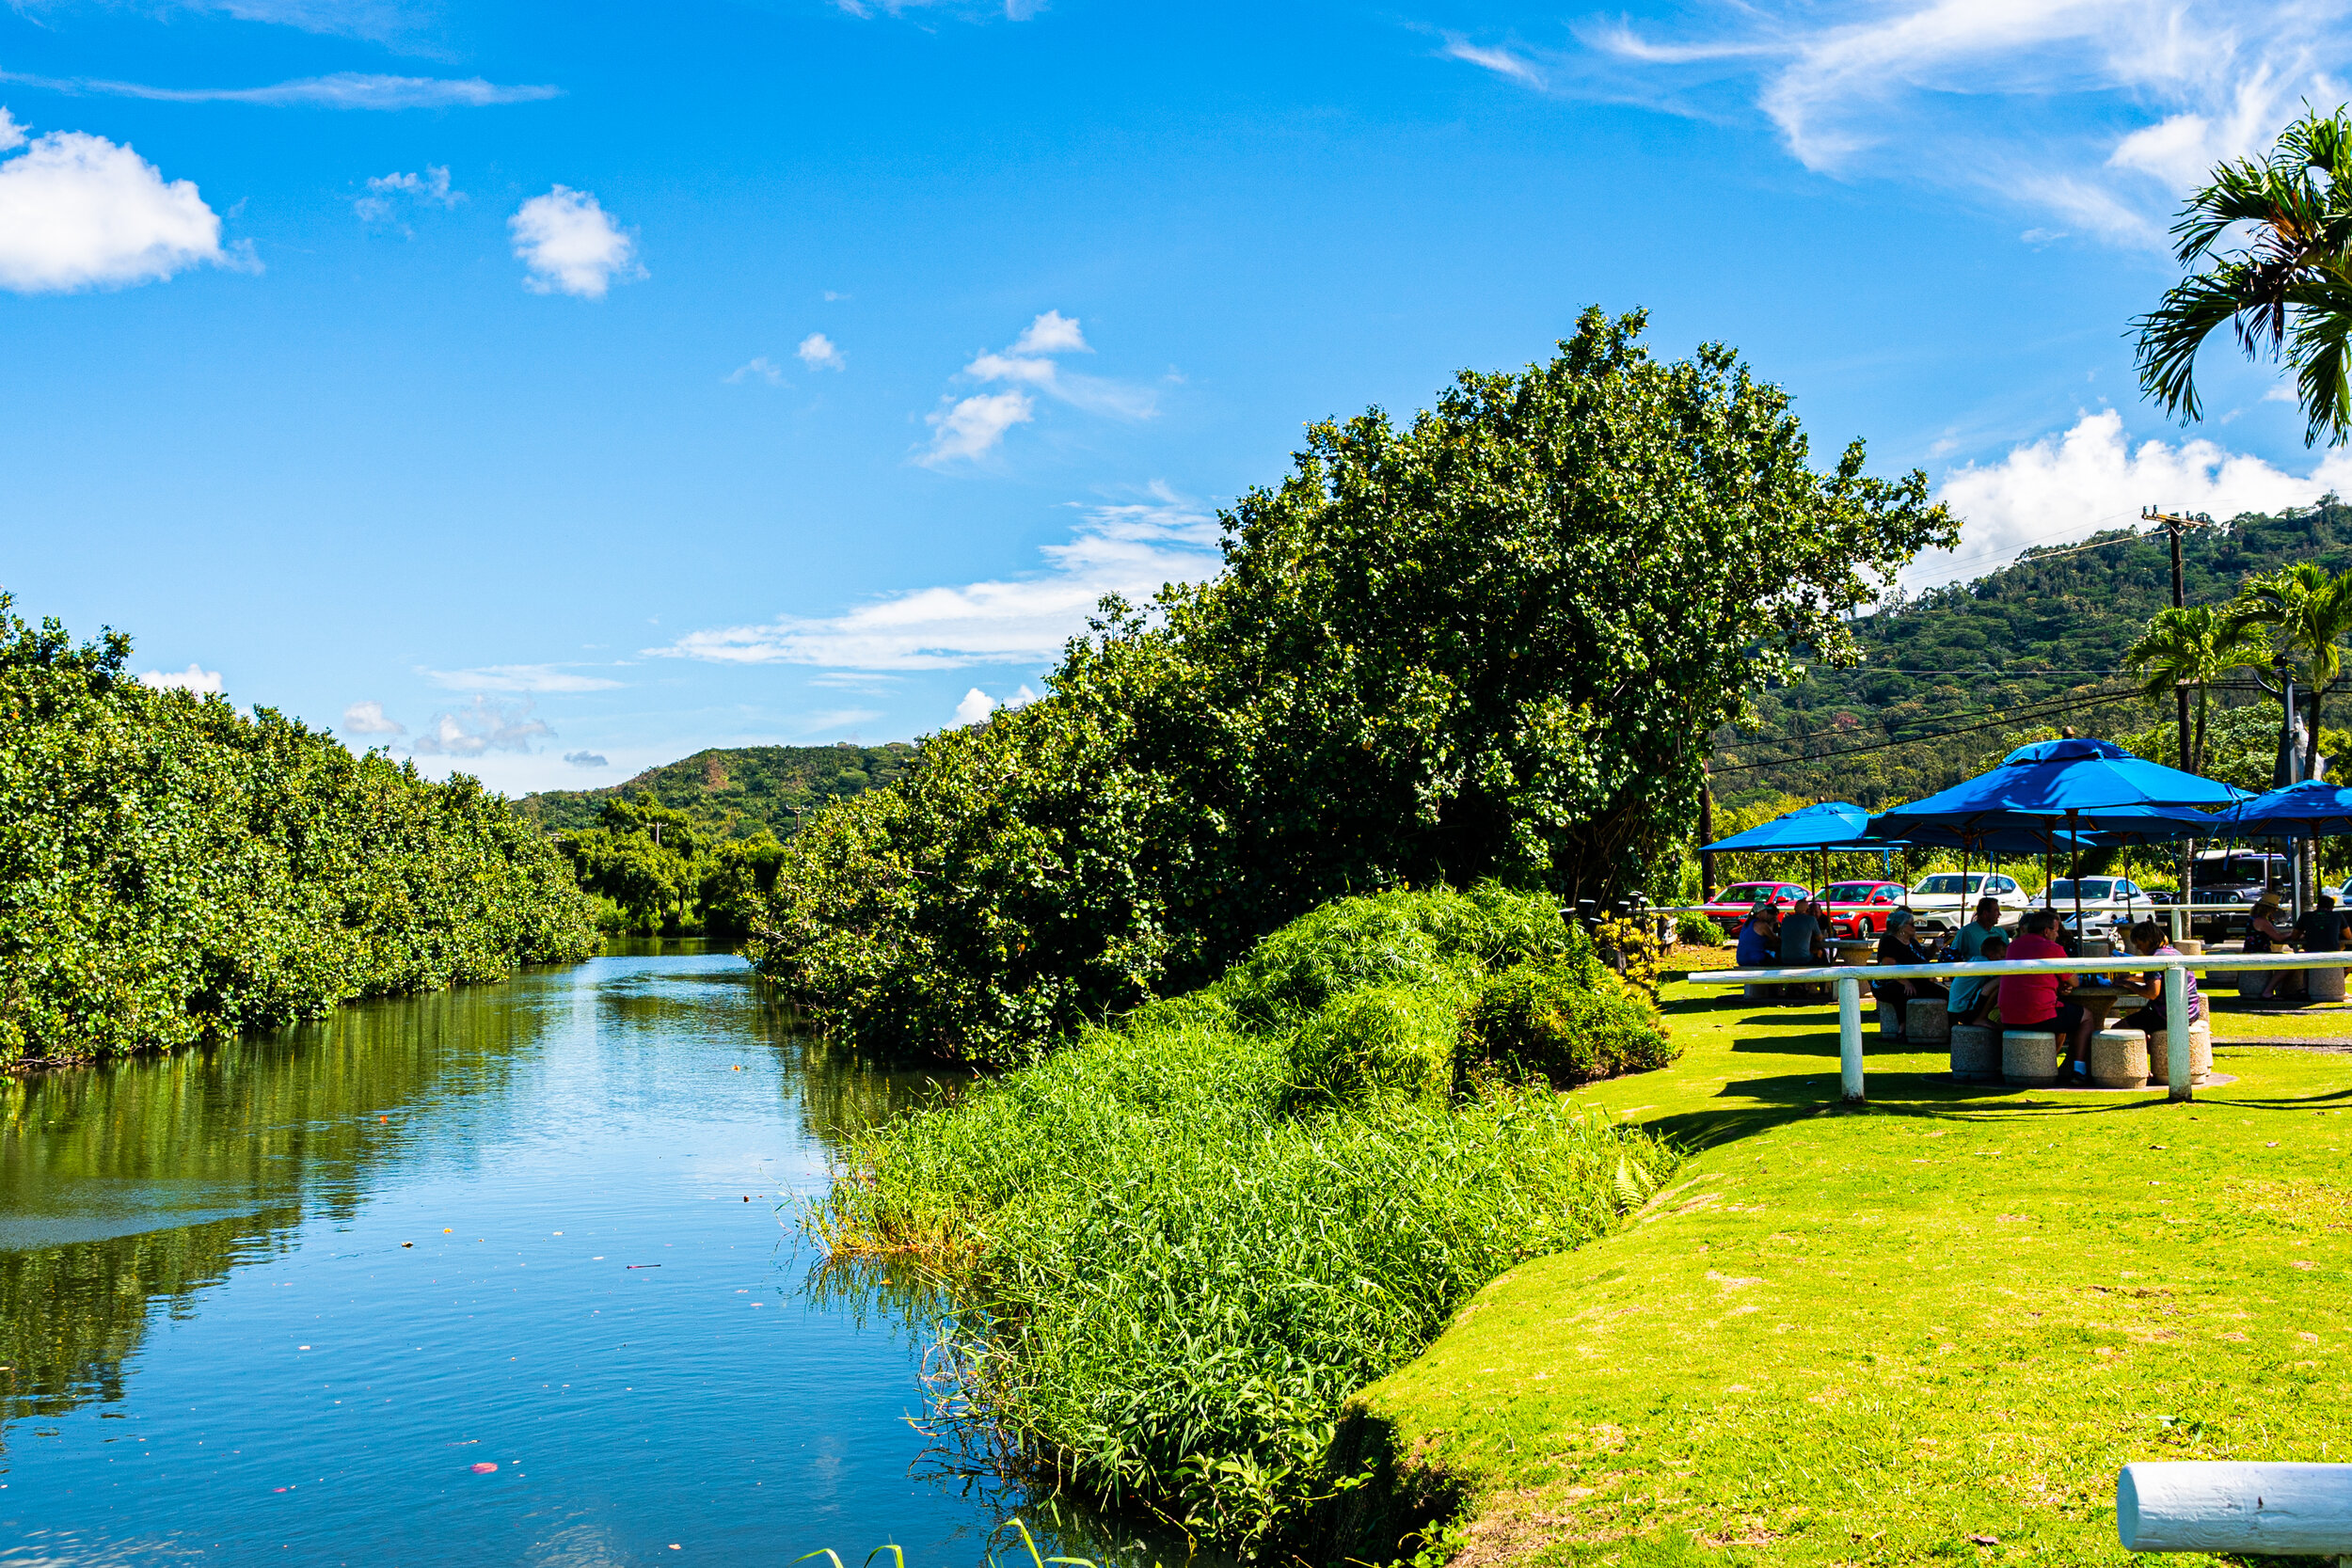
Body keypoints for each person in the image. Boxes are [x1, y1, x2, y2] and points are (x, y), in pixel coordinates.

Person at [1999, 909, 2093, 1077]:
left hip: (2008, 1016)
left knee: (2062, 1016)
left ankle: (2050, 1065)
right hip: (2038, 1015)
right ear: (2046, 931)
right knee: (2086, 1017)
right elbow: (2075, 981)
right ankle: (2079, 1069)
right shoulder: (2052, 948)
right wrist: (2063, 983)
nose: (2058, 935)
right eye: (2056, 931)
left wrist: (2057, 985)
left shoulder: (2013, 946)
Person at [2119, 920, 2205, 1061]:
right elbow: (2158, 978)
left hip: (2167, 1014)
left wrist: (2130, 985)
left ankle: (2147, 1063)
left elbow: (2152, 993)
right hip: (2190, 1011)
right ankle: (2154, 1057)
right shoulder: (2172, 952)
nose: (2139, 949)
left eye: (2139, 944)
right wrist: (2131, 978)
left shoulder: (2155, 959)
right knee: (2140, 1022)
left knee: (2120, 1028)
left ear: (2147, 940)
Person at [1870, 908, 1947, 1037]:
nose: (1915, 927)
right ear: (1901, 927)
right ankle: (1903, 1027)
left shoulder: (1912, 941)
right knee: (1905, 992)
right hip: (1888, 983)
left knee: (1943, 993)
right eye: (1912, 924)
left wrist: (1934, 946)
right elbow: (1888, 968)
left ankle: (1947, 1027)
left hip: (1915, 980)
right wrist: (1906, 982)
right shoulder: (1889, 942)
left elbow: (1923, 957)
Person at [1947, 896, 2005, 1027]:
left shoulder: (2000, 932)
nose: (1999, 914)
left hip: (1964, 1001)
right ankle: (1982, 1018)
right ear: (1985, 913)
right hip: (1963, 1008)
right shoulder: (1967, 933)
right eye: (1996, 911)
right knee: (2001, 981)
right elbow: (1954, 954)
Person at [2242, 890, 2294, 1002]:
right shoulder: (2262, 921)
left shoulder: (2253, 919)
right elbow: (2278, 938)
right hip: (2259, 953)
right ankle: (2268, 990)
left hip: (2251, 951)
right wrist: (2291, 933)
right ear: (2269, 909)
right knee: (2290, 963)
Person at [1777, 894, 1827, 999]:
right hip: (1803, 959)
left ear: (1794, 909)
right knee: (1820, 954)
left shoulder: (1786, 920)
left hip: (1784, 959)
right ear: (1807, 910)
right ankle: (1817, 985)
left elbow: (1781, 937)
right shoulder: (1811, 920)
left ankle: (1800, 986)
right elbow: (1819, 938)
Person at [1735, 899, 1779, 970]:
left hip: (1741, 958)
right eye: (1766, 911)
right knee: (1778, 963)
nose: (1767, 914)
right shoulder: (1761, 924)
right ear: (1761, 912)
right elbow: (1775, 940)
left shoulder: (1747, 924)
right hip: (1754, 958)